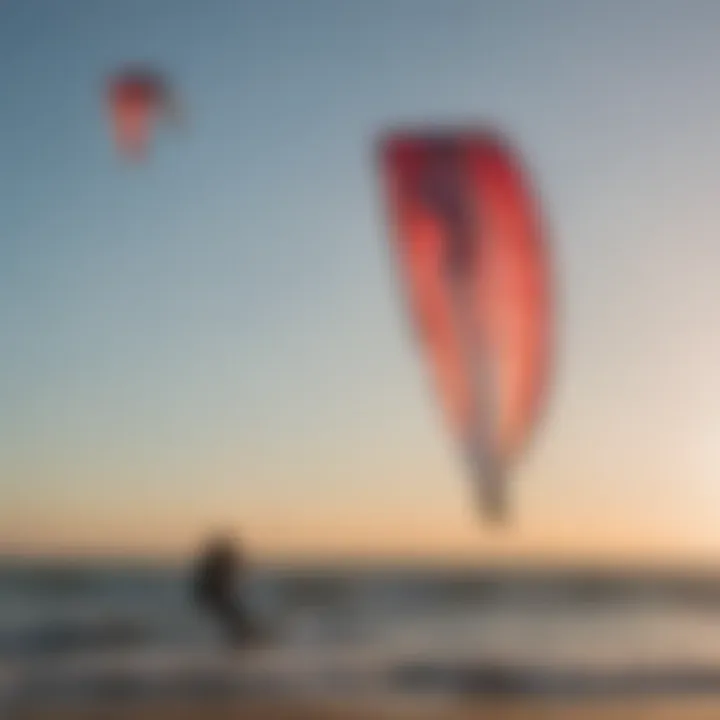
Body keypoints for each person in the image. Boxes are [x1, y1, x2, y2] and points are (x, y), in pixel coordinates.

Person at [192, 535, 258, 646]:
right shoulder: (218, 562)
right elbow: (214, 582)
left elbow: (228, 579)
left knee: (235, 616)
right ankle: (242, 638)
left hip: (217, 595)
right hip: (215, 594)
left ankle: (243, 637)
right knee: (234, 616)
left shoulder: (219, 562)